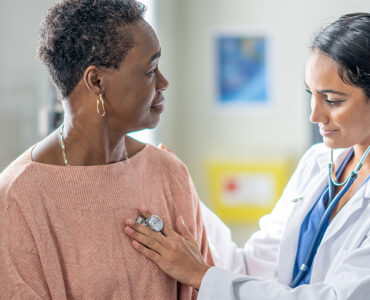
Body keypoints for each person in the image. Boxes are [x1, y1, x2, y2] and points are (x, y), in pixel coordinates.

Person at [124, 12, 370, 299]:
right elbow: (250, 269)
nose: (314, 115)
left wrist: (200, 276)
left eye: (332, 100)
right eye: (311, 95)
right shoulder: (317, 163)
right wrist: (183, 189)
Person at [0, 0, 213, 299]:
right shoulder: (17, 197)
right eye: (151, 70)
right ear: (96, 80)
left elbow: (206, 288)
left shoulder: (170, 173)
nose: (164, 83)